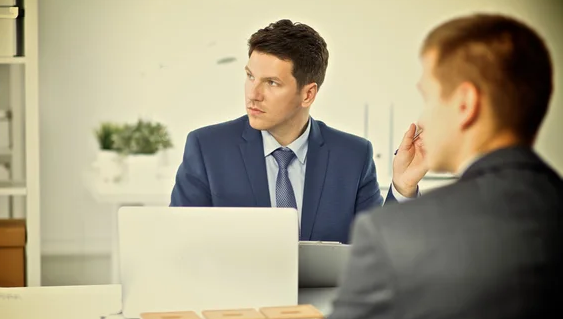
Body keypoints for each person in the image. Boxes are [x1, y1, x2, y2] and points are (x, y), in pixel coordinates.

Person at [285, 13, 562, 319]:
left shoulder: (399, 236)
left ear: (465, 104)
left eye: (429, 97)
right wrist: (402, 185)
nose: (423, 116)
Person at [170, 19, 427, 243]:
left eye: (271, 82)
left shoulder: (353, 156)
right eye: (250, 77)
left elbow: (377, 251)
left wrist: (403, 187)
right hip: (236, 299)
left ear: (308, 94)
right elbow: (178, 242)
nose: (253, 95)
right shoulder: (207, 148)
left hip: (324, 300)